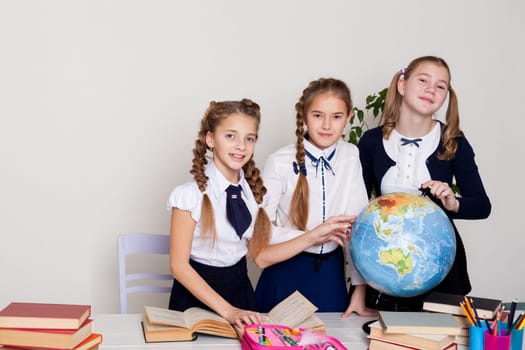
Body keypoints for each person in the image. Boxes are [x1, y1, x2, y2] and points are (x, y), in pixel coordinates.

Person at [358, 56, 491, 311]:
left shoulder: (454, 142)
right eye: (423, 80)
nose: (431, 89)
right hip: (384, 269)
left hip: (442, 271)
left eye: (441, 86)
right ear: (402, 85)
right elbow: (357, 211)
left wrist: (453, 203)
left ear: (446, 96)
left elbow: (482, 206)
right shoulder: (371, 142)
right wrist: (357, 289)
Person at [254, 78, 377, 317]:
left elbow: (358, 228)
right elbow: (262, 233)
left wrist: (358, 292)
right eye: (318, 115)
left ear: (349, 117)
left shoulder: (351, 156)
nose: (327, 125)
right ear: (303, 115)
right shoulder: (278, 161)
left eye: (337, 116)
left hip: (329, 276)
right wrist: (312, 237)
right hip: (284, 272)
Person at [167, 99, 268, 328]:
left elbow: (260, 254)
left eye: (249, 138)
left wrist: (315, 235)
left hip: (241, 294)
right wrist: (228, 311)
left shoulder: (256, 194)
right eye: (230, 136)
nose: (241, 145)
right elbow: (178, 266)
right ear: (210, 139)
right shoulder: (188, 196)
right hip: (194, 300)